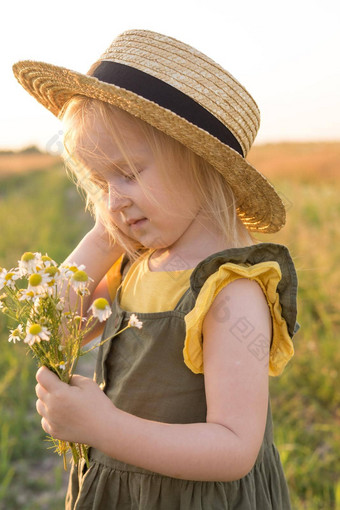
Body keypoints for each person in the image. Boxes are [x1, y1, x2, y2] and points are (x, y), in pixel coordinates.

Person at [12, 29, 300, 509]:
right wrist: (107, 232)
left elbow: (234, 449)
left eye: (128, 173)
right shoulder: (138, 265)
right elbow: (56, 323)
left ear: (199, 163)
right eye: (100, 183)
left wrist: (103, 427)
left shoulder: (229, 291)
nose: (113, 198)